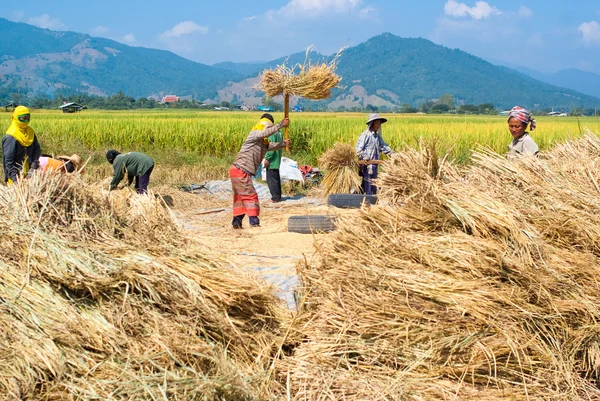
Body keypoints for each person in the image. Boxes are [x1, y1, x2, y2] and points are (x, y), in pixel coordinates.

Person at [230, 113, 290, 229]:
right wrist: (281, 124)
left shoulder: (261, 141)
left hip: (236, 170)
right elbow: (265, 132)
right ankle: (254, 222)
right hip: (241, 170)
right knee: (250, 196)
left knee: (240, 198)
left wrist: (283, 144)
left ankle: (236, 223)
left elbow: (270, 146)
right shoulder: (255, 134)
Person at [355, 113, 395, 195]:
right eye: (377, 123)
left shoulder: (377, 136)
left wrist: (393, 154)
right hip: (367, 165)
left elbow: (383, 146)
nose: (378, 125)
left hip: (375, 165)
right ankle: (368, 202)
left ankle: (367, 200)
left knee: (373, 185)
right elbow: (358, 149)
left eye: (379, 123)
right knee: (369, 185)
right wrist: (365, 156)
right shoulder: (365, 135)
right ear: (372, 123)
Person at [2, 106, 41, 184]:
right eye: (23, 118)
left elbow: (37, 149)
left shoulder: (30, 132)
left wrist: (33, 167)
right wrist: (15, 180)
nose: (26, 121)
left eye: (28, 118)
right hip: (15, 175)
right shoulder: (11, 136)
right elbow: (8, 161)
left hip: (29, 174)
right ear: (16, 118)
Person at [263, 126, 284, 203]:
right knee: (276, 178)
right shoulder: (279, 133)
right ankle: (278, 196)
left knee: (271, 180)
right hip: (277, 158)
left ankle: (275, 197)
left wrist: (267, 158)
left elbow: (270, 148)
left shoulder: (272, 134)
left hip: (272, 160)